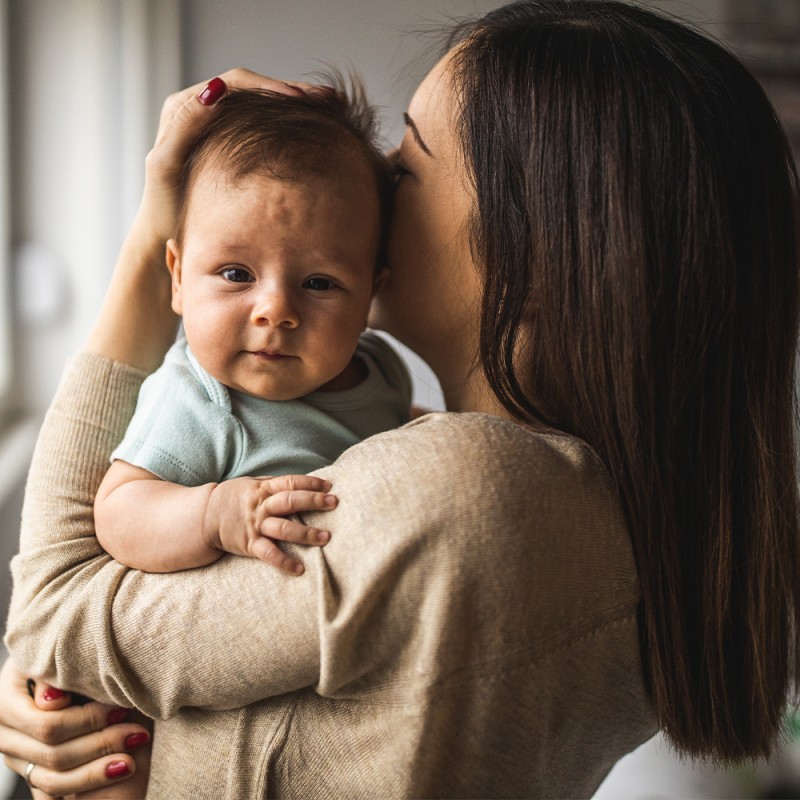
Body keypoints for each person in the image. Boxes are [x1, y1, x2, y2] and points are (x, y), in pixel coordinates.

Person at [2, 1, 799, 797]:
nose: (375, 174)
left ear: (538, 255)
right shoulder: (614, 506)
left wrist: (156, 230)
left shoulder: (461, 493)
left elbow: (49, 612)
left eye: (408, 164)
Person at [93, 86, 411, 576]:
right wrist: (214, 514)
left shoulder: (380, 368)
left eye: (319, 283)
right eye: (237, 274)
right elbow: (119, 510)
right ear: (178, 277)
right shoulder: (199, 400)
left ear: (371, 293)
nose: (276, 310)